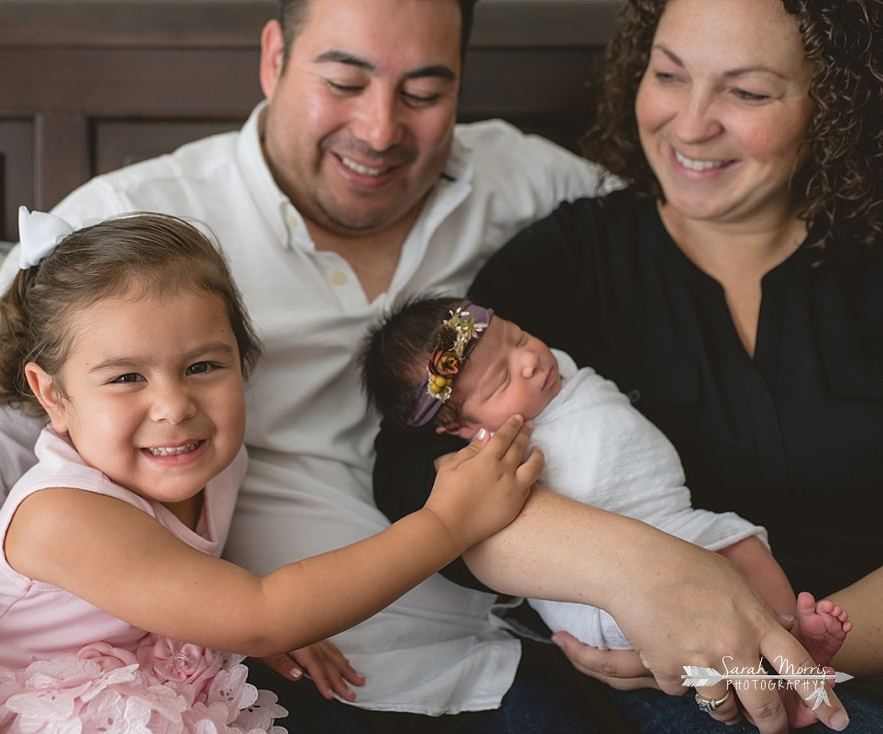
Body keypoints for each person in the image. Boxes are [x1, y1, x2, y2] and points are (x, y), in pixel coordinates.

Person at [0, 1, 854, 732]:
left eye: (424, 91)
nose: (380, 130)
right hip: (302, 678)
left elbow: (689, 226)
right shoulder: (134, 227)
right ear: (274, 55)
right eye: (342, 81)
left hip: (516, 662)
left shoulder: (531, 193)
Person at [0, 210, 535, 734]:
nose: (174, 407)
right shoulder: (63, 515)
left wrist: (221, 622)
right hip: (8, 713)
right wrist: (445, 524)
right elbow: (265, 605)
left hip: (130, 683)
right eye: (125, 379)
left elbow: (212, 595)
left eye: (203, 366)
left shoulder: (214, 458)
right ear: (54, 396)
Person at [372, 0, 883, 730]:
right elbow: (410, 472)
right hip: (672, 697)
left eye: (748, 91)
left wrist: (793, 654)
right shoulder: (569, 264)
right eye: (670, 75)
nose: (692, 123)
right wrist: (641, 572)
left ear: (833, 101)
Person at [361, 295, 849, 664]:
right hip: (602, 588)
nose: (529, 361)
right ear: (461, 428)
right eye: (499, 382)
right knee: (692, 620)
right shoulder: (490, 453)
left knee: (744, 545)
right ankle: (762, 672)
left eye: (516, 337)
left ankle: (792, 642)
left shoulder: (560, 368)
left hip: (673, 519)